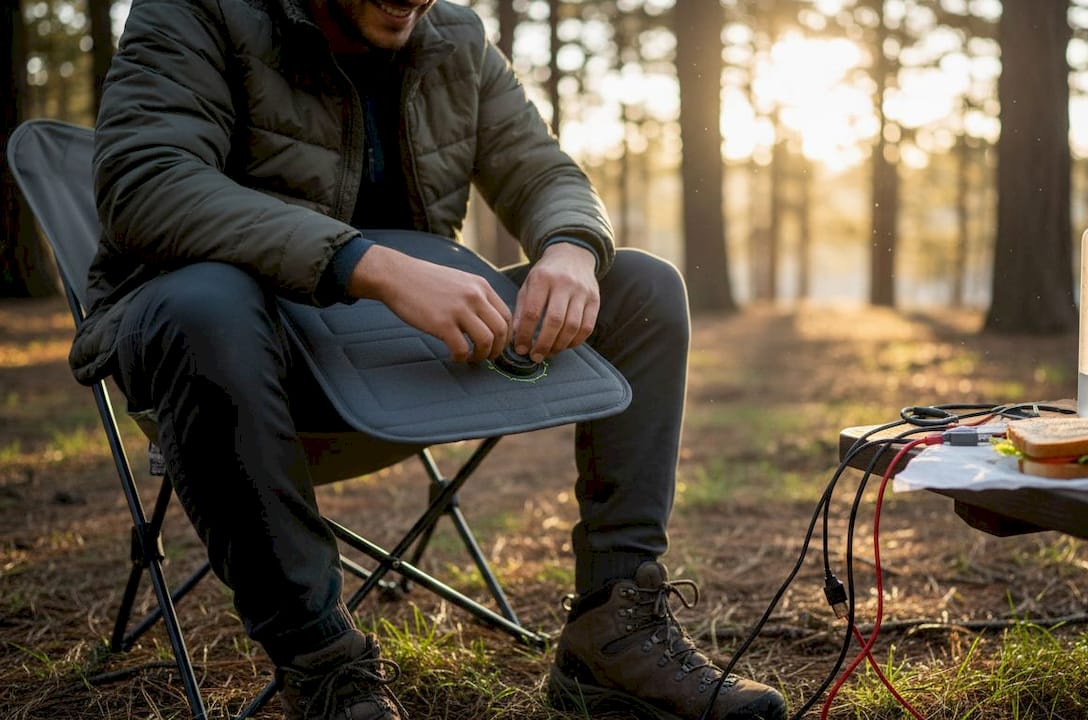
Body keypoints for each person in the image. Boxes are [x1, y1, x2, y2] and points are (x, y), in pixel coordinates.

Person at [76, 0, 789, 719]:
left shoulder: (455, 37)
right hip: (233, 371)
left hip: (395, 365)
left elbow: (542, 170)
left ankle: (614, 632)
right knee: (205, 301)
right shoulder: (199, 12)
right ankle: (324, 668)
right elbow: (146, 183)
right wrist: (369, 265)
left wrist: (571, 246)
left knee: (643, 286)